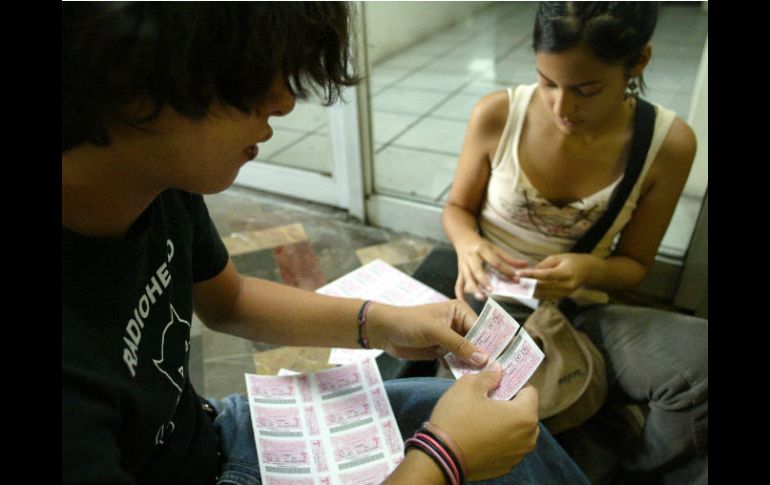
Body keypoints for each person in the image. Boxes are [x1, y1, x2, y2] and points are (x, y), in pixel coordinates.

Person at [62, 3, 590, 484]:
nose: (284, 102)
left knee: (514, 437)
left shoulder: (157, 181)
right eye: (244, 74)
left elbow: (231, 301)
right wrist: (443, 458)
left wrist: (384, 322)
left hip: (210, 435)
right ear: (125, 77)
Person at [414, 2, 708, 484]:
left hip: (578, 309)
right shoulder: (499, 114)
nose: (562, 107)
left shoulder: (668, 143)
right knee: (473, 419)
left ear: (639, 62)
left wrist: (586, 270)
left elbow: (634, 263)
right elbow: (457, 209)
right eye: (547, 82)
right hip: (488, 304)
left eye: (587, 89)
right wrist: (468, 245)